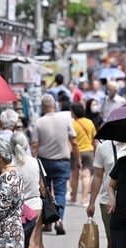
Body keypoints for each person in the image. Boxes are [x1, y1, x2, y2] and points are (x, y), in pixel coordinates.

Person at [31, 94, 82, 235]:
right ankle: (59, 220)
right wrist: (78, 160)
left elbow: (34, 145)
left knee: (44, 193)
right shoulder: (65, 121)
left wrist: (32, 161)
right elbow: (74, 142)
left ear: (42, 107)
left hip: (43, 163)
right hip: (62, 162)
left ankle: (47, 223)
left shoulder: (39, 122)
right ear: (55, 106)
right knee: (60, 192)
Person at [87, 138, 126, 248]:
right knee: (113, 240)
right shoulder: (104, 147)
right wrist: (91, 201)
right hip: (108, 201)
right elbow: (98, 175)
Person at [10, 131, 46, 248]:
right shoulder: (36, 162)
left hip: (15, 207)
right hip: (34, 205)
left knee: (15, 241)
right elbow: (43, 187)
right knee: (33, 241)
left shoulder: (9, 165)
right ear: (26, 146)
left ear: (11, 147)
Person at [69, 103, 97, 206]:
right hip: (89, 151)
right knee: (86, 176)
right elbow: (94, 138)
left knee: (75, 176)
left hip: (76, 152)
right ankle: (84, 199)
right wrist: (95, 149)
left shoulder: (73, 124)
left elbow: (72, 140)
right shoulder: (89, 122)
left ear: (74, 112)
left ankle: (74, 197)